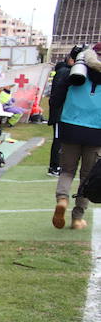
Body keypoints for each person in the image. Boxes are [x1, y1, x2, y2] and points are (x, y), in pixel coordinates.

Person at [53, 43, 101, 230]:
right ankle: (77, 217)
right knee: (87, 176)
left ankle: (62, 199)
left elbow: (57, 97)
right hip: (97, 131)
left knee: (67, 170)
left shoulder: (76, 71)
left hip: (70, 126)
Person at [47, 48, 79, 177]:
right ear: (71, 60)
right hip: (59, 113)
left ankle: (57, 165)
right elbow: (58, 94)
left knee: (62, 139)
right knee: (58, 139)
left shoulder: (63, 72)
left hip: (62, 112)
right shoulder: (64, 73)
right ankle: (54, 166)